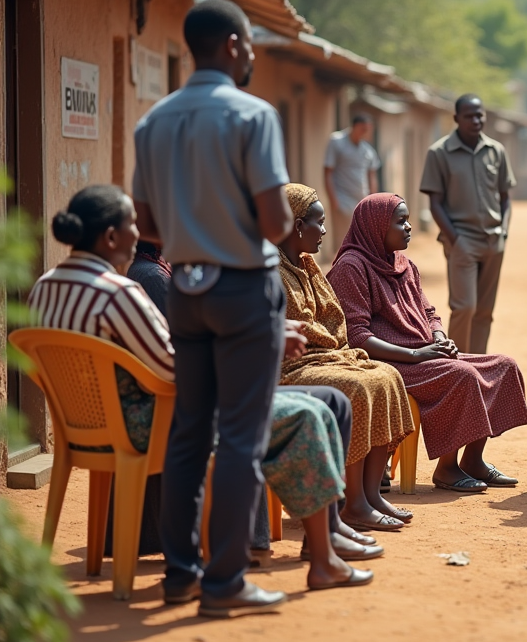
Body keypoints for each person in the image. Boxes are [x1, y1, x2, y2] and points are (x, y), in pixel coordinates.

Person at [31, 186, 374, 607]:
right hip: (152, 422)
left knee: (307, 405)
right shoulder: (118, 294)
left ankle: (322, 547)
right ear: (109, 238)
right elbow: (177, 366)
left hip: (89, 425)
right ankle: (320, 560)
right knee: (306, 413)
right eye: (131, 226)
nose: (138, 234)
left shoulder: (45, 287)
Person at [131, 0, 294, 617]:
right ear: (231, 45)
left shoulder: (154, 122)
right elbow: (278, 222)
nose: (252, 54)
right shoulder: (254, 116)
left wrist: (193, 228)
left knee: (188, 433)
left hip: (187, 289)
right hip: (244, 288)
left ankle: (180, 574)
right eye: (250, 43)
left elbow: (145, 220)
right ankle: (225, 581)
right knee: (241, 439)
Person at [128, 240, 383, 563]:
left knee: (335, 401)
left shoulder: (166, 272)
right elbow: (183, 359)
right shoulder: (151, 278)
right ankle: (319, 550)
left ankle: (332, 523)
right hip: (198, 402)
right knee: (314, 410)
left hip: (209, 391)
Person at [328, 193, 527, 493]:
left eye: (408, 219)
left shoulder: (405, 264)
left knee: (504, 366)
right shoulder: (351, 268)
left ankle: (473, 460)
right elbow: (357, 336)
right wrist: (415, 354)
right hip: (389, 363)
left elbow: (429, 312)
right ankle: (447, 469)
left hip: (425, 354)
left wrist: (439, 337)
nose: (409, 226)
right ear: (376, 227)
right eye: (401, 221)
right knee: (461, 376)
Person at [277, 184, 414, 533]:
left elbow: (334, 318)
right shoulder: (272, 272)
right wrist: (326, 341)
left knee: (386, 376)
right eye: (318, 223)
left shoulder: (307, 265)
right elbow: (299, 329)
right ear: (295, 226)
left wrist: (329, 343)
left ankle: (370, 494)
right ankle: (352, 502)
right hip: (290, 368)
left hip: (326, 357)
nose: (324, 231)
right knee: (356, 387)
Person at [420, 94, 515, 354]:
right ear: (456, 119)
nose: (476, 120)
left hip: (494, 241)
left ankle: (478, 363)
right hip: (462, 240)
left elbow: (505, 197)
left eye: (479, 114)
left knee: (484, 312)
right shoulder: (439, 153)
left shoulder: (496, 151)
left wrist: (504, 231)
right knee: (464, 307)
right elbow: (435, 203)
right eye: (469, 116)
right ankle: (458, 367)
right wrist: (456, 240)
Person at [324, 115, 380, 252]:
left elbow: (371, 176)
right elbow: (327, 172)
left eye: (368, 130)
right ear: (354, 126)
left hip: (361, 202)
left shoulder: (368, 151)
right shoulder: (337, 142)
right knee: (343, 241)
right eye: (363, 129)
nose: (365, 132)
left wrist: (373, 200)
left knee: (363, 242)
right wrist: (333, 200)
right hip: (342, 200)